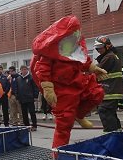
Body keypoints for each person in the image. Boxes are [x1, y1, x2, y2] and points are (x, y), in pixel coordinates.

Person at [30, 15, 106, 148]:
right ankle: (59, 155)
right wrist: (48, 89)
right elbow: (42, 69)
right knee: (64, 123)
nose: (77, 35)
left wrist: (94, 69)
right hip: (62, 89)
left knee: (97, 93)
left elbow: (83, 61)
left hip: (78, 82)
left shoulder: (74, 46)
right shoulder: (50, 51)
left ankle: (79, 114)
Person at [94, 36, 123, 132]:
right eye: (97, 48)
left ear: (107, 46)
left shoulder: (109, 57)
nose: (98, 50)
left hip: (110, 91)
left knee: (104, 111)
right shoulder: (112, 55)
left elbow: (96, 70)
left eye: (100, 47)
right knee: (111, 113)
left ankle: (110, 137)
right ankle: (118, 134)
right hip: (111, 89)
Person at [16, 65, 38, 131]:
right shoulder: (18, 78)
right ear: (20, 70)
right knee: (24, 113)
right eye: (22, 70)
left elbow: (35, 87)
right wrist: (17, 97)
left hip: (30, 98)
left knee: (32, 112)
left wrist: (35, 96)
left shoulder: (31, 77)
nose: (24, 71)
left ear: (27, 70)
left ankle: (34, 125)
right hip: (22, 99)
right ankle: (26, 126)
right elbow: (17, 88)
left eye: (25, 69)